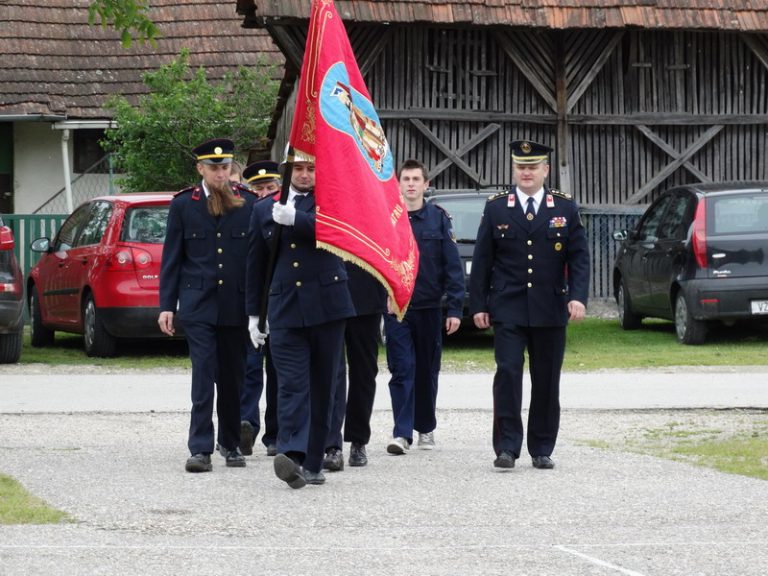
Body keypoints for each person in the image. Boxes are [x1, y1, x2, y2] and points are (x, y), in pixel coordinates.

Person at [469, 140, 590, 470]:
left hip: (550, 307)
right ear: (514, 170)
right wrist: (479, 304)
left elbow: (579, 258)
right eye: (521, 167)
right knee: (508, 374)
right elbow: (482, 260)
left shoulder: (564, 208)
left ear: (545, 170)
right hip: (508, 306)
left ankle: (541, 447)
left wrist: (577, 297)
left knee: (546, 379)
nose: (526, 172)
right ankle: (507, 447)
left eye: (533, 167)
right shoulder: (497, 208)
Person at [246, 149, 355, 489]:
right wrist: (254, 314)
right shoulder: (264, 208)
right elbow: (256, 265)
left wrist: (298, 219)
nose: (305, 174)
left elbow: (339, 235)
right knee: (291, 384)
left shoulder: (332, 202)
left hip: (327, 305)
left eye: (311, 168)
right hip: (285, 307)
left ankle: (315, 460)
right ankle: (292, 454)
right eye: (299, 168)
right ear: (287, 170)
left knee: (323, 386)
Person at [158, 138, 257, 473]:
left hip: (235, 304)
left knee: (232, 377)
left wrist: (258, 307)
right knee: (203, 374)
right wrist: (167, 305)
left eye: (225, 167)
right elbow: (172, 258)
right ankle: (200, 447)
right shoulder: (184, 205)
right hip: (198, 304)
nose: (220, 173)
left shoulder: (247, 203)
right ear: (200, 168)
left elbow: (255, 260)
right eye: (214, 168)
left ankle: (230, 443)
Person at [384, 159, 465, 455]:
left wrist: (455, 308)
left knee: (427, 370)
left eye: (416, 179)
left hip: (429, 307)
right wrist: (384, 296)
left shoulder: (438, 219)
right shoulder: (388, 219)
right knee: (402, 369)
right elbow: (379, 262)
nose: (410, 184)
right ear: (398, 184)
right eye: (406, 179)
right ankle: (402, 433)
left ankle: (425, 427)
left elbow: (452, 266)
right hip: (398, 308)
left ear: (426, 184)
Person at [323, 262, 387, 470]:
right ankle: (332, 445)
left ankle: (358, 440)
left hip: (367, 292)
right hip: (330, 291)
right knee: (332, 372)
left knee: (363, 372)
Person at [238, 160, 282, 457]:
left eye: (270, 187)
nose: (264, 193)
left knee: (278, 371)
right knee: (250, 368)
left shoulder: (286, 213)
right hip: (251, 302)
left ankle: (275, 434)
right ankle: (247, 425)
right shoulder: (245, 214)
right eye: (258, 189)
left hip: (281, 302)